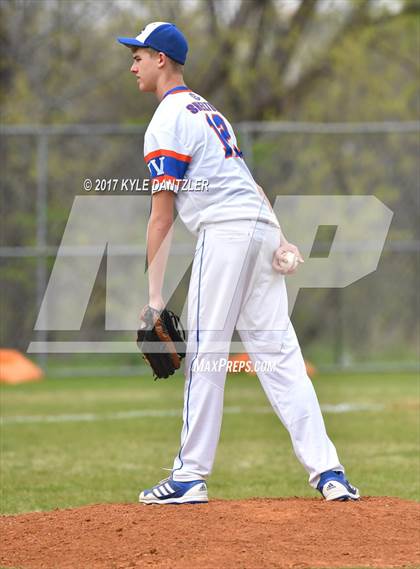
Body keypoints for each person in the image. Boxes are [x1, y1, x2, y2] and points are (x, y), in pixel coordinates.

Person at [117, 22, 360, 504]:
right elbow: (250, 183)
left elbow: (161, 217)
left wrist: (153, 298)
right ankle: (330, 473)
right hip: (257, 226)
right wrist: (279, 239)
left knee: (205, 353)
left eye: (139, 55)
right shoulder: (210, 111)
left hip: (226, 233)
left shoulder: (167, 118)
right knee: (282, 358)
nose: (133, 65)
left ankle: (188, 476)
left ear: (162, 59)